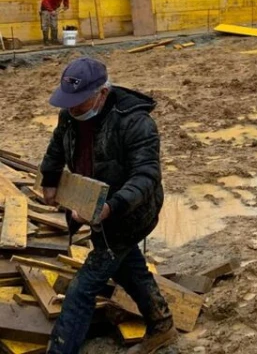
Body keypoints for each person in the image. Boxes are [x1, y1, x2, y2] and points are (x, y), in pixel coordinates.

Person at [40, 58, 175, 354]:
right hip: (92, 205)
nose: (72, 108)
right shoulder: (70, 115)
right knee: (127, 266)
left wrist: (110, 207)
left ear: (102, 92)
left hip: (129, 212)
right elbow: (57, 146)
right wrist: (49, 178)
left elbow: (146, 176)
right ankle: (162, 325)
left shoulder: (136, 123)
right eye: (68, 102)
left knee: (83, 287)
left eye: (79, 101)